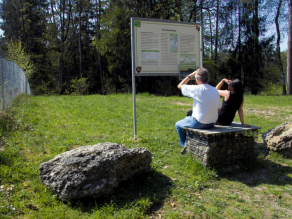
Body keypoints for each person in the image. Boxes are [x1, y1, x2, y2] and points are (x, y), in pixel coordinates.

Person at [175, 67, 221, 150]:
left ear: (197, 79)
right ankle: (192, 142)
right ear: (208, 78)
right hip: (212, 122)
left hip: (200, 122)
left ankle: (186, 146)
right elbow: (218, 108)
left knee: (178, 125)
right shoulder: (215, 90)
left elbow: (180, 86)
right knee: (188, 118)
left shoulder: (197, 89)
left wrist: (191, 74)